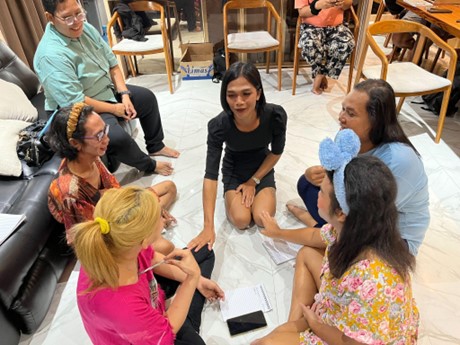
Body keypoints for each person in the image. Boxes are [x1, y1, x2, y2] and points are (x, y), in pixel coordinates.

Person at [252, 129, 419, 344]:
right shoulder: (355, 229)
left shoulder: (374, 279)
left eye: (321, 191)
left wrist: (316, 326)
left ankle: (300, 330)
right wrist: (278, 233)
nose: (316, 195)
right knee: (306, 254)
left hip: (351, 337)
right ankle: (297, 327)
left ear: (341, 212)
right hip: (341, 312)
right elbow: (314, 237)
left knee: (263, 343)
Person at [261, 79, 429, 257]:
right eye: (343, 109)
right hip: (354, 211)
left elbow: (362, 222)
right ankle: (319, 229)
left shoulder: (399, 160)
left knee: (314, 254)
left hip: (389, 236)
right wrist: (317, 174)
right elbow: (335, 181)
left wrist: (281, 234)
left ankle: (317, 228)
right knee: (306, 184)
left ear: (375, 121)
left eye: (351, 113)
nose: (341, 117)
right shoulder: (347, 136)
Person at [35, 0, 179, 176]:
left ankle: (156, 145)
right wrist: (115, 109)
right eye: (68, 18)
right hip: (78, 110)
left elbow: (113, 65)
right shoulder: (50, 54)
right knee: (115, 137)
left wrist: (124, 95)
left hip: (106, 92)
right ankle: (149, 165)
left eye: (79, 13)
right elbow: (75, 101)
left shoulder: (86, 29)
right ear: (50, 17)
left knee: (146, 98)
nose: (77, 21)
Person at [73, 186, 224, 345]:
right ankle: (186, 320)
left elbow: (151, 258)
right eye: (160, 215)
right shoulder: (123, 307)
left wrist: (198, 280)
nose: (164, 218)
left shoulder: (115, 245)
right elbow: (166, 332)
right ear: (144, 240)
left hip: (149, 304)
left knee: (205, 253)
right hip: (143, 333)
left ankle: (182, 313)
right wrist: (191, 279)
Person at [47, 102, 176, 255]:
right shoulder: (70, 192)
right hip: (106, 233)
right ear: (75, 143)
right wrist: (145, 224)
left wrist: (149, 212)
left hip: (116, 210)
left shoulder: (92, 156)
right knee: (165, 247)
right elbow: (90, 241)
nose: (106, 139)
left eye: (105, 130)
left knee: (169, 187)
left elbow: (116, 193)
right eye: (99, 136)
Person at [187, 62, 287, 251]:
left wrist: (253, 181)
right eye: (231, 95)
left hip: (262, 167)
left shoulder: (275, 115)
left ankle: (259, 187)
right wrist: (208, 227)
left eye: (246, 93)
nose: (238, 102)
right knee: (241, 220)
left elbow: (276, 152)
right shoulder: (219, 125)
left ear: (258, 93)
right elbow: (210, 175)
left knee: (261, 217)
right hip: (234, 167)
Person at [295, 0, 355, 94]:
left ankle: (320, 75)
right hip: (311, 26)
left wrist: (343, 3)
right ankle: (321, 74)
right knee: (309, 45)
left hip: (337, 26)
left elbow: (349, 3)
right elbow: (302, 12)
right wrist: (317, 6)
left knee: (347, 44)